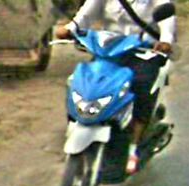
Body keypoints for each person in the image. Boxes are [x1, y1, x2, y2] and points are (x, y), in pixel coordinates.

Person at [56, 0, 176, 174]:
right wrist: (70, 29)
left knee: (141, 88)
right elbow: (85, 15)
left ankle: (133, 146)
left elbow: (167, 23)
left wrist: (165, 41)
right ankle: (79, 126)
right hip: (109, 51)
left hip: (143, 53)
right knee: (82, 83)